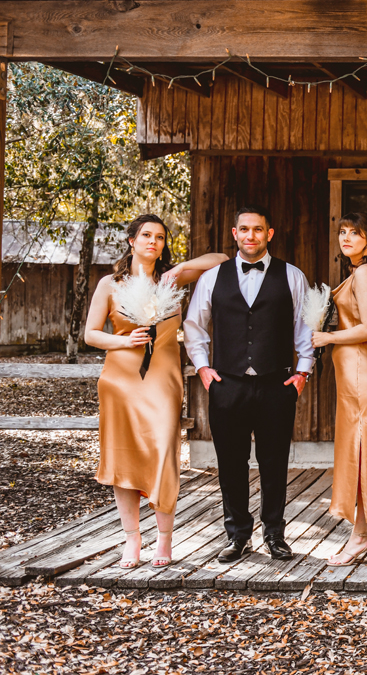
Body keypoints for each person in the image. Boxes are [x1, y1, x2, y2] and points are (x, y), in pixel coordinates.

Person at [85, 215, 228, 569]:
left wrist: (177, 270)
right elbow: (90, 335)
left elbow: (222, 260)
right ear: (131, 241)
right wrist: (122, 340)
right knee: (123, 457)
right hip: (120, 380)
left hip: (163, 379)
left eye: (160, 237)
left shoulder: (172, 282)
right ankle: (132, 539)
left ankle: (164, 539)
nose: (153, 241)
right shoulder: (109, 284)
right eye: (146, 235)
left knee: (164, 453)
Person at [183, 205, 315, 565]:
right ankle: (237, 534)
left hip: (277, 384)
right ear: (234, 233)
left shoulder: (292, 276)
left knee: (274, 462)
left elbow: (305, 328)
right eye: (245, 229)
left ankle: (275, 534)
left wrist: (303, 372)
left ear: (269, 234)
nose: (251, 235)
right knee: (231, 464)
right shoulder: (213, 277)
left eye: (258, 229)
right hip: (227, 385)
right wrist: (204, 369)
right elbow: (194, 325)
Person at [312, 212, 367, 567]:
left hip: (359, 369)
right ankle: (363, 532)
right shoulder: (356, 273)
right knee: (354, 450)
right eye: (342, 232)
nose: (346, 238)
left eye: (354, 233)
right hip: (349, 372)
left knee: (360, 451)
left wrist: (329, 337)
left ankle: (361, 535)